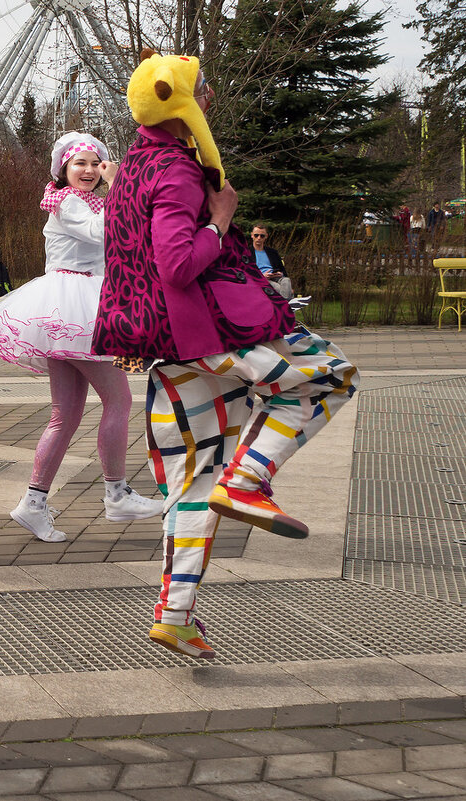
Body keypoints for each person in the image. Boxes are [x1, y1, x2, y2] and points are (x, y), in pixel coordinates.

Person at [91, 50, 358, 660]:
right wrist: (222, 219)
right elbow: (177, 264)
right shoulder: (179, 172)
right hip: (213, 335)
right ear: (186, 104)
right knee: (331, 377)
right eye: (202, 89)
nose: (208, 97)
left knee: (191, 481)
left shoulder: (133, 163)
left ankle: (176, 615)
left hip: (165, 345)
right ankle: (251, 478)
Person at [0, 132, 162, 543]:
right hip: (75, 308)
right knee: (119, 400)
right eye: (78, 162)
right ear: (62, 169)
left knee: (66, 415)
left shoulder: (87, 202)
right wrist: (121, 186)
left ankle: (33, 503)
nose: (88, 170)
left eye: (95, 163)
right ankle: (116, 493)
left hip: (68, 310)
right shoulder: (67, 202)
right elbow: (105, 232)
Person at [251, 224, 292, 299]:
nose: (259, 238)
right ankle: (286, 303)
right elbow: (245, 272)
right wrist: (262, 276)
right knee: (277, 288)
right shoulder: (247, 253)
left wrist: (280, 273)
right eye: (256, 235)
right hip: (261, 279)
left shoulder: (272, 252)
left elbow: (282, 269)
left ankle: (285, 302)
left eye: (262, 236)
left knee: (286, 280)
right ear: (252, 235)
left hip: (275, 276)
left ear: (266, 236)